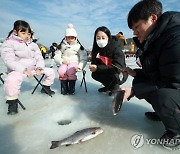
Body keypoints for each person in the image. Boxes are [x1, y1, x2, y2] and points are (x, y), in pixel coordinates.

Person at [119, 0, 180, 150]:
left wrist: (134, 91)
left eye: (136, 26)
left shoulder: (176, 39)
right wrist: (135, 73)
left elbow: (174, 83)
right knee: (142, 84)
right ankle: (164, 114)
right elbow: (157, 74)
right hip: (173, 86)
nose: (134, 32)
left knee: (162, 96)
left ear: (153, 18)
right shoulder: (155, 40)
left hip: (176, 87)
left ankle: (176, 132)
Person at [0, 20, 55, 115]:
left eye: (29, 33)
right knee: (11, 80)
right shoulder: (8, 43)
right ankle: (12, 102)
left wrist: (39, 67)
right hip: (17, 70)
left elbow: (39, 57)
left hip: (33, 68)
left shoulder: (33, 45)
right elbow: (9, 60)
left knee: (50, 71)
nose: (27, 36)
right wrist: (23, 70)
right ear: (15, 32)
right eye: (23, 32)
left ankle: (46, 87)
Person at [89, 26, 127, 95]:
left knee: (115, 75)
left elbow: (118, 68)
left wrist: (98, 68)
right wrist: (93, 67)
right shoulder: (96, 50)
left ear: (108, 38)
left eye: (103, 38)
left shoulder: (116, 49)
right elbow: (94, 63)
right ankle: (108, 86)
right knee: (95, 74)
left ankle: (115, 87)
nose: (100, 40)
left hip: (119, 73)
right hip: (107, 71)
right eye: (98, 38)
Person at [54, 23, 87, 95]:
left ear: (75, 38)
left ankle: (71, 88)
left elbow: (83, 57)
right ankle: (64, 88)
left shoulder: (78, 46)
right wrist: (61, 61)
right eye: (68, 37)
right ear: (65, 37)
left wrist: (80, 66)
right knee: (61, 71)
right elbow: (57, 55)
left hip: (73, 63)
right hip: (64, 62)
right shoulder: (62, 46)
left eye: (72, 37)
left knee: (70, 71)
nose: (70, 39)